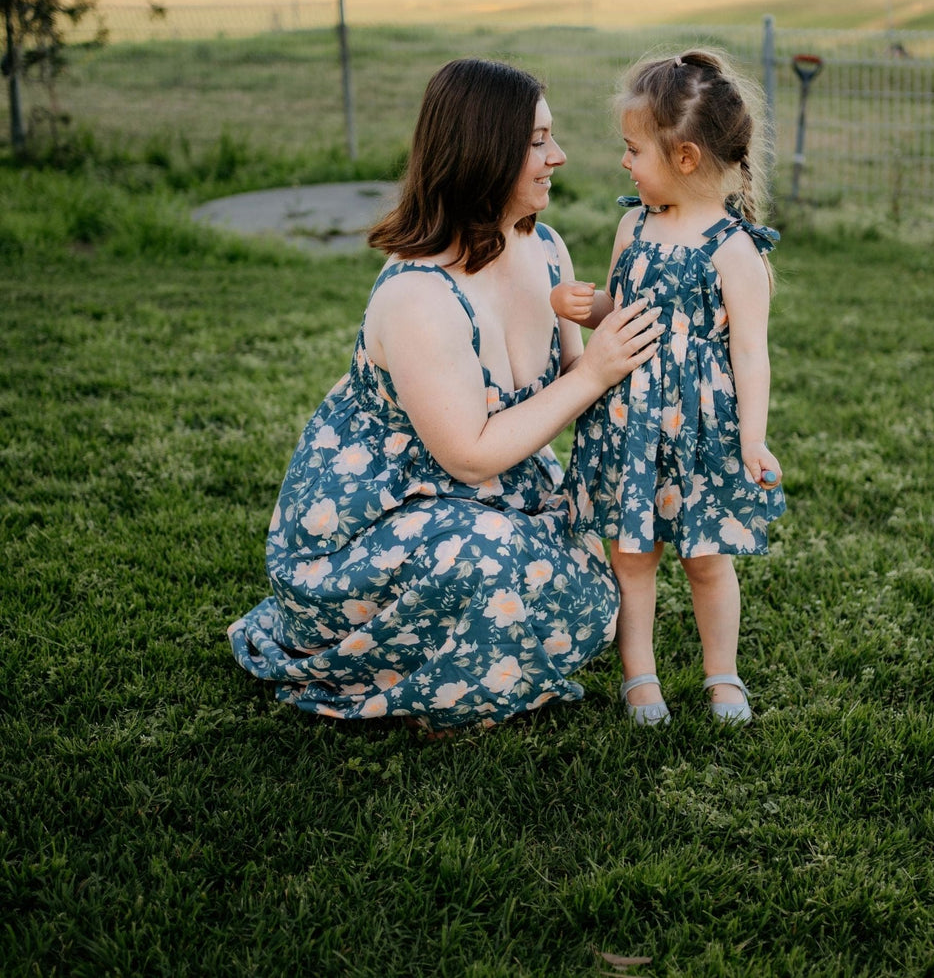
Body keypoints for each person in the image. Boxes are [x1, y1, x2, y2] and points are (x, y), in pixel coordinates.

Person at [228, 58, 663, 730]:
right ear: (484, 152)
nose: (560, 156)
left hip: (498, 488)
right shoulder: (417, 295)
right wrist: (592, 372)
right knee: (493, 563)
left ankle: (479, 644)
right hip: (376, 519)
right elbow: (468, 454)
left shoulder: (546, 248)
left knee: (595, 597)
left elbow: (583, 391)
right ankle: (399, 656)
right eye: (538, 140)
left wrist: (663, 347)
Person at [551, 49, 784, 727]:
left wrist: (753, 437)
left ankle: (722, 675)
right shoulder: (635, 224)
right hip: (629, 417)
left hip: (702, 429)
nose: (625, 162)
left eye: (634, 150)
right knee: (633, 551)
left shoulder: (735, 249)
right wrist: (582, 305)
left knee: (706, 558)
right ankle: (641, 677)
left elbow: (751, 352)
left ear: (684, 157)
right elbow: (618, 309)